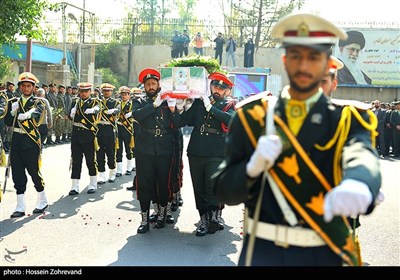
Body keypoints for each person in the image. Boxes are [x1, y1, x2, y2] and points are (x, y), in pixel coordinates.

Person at [213, 13, 382, 266]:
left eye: (314, 58)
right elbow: (223, 190)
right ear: (285, 60)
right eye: (296, 57)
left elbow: (361, 154)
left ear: (327, 64)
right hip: (263, 254)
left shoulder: (348, 118)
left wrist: (359, 182)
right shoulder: (253, 117)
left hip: (324, 254)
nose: (304, 66)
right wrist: (251, 168)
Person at [180, 72, 235, 236]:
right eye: (215, 86)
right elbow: (183, 121)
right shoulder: (199, 102)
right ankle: (204, 219)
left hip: (217, 151)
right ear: (210, 86)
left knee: (212, 185)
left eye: (221, 88)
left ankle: (213, 218)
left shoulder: (229, 104)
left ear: (227, 91)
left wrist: (210, 108)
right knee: (199, 187)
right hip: (196, 150)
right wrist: (180, 106)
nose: (217, 90)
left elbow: (231, 120)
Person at [132, 68, 180, 233]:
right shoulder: (139, 100)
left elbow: (178, 123)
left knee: (163, 182)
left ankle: (162, 214)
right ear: (144, 86)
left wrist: (174, 109)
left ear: (159, 84)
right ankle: (144, 219)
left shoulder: (168, 100)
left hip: (164, 147)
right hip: (144, 148)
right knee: (144, 184)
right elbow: (136, 115)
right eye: (148, 84)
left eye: (153, 83)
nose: (151, 86)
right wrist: (154, 104)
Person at [5, 72, 48, 218]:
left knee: (33, 171)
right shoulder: (13, 101)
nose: (26, 88)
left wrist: (29, 113)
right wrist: (12, 112)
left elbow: (38, 113)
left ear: (33, 88)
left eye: (29, 86)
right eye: (23, 86)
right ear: (20, 87)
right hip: (16, 140)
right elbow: (7, 122)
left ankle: (42, 199)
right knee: (17, 173)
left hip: (31, 141)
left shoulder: (38, 102)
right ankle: (20, 205)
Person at [68, 82, 101, 195]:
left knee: (90, 161)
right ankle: (74, 186)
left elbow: (98, 109)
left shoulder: (95, 102)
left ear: (90, 92)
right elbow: (69, 115)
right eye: (81, 91)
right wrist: (71, 113)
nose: (83, 93)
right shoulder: (75, 102)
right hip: (76, 135)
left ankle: (93, 184)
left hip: (88, 135)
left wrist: (93, 110)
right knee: (76, 161)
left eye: (86, 91)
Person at [96, 83, 120, 184]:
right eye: (104, 90)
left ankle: (112, 173)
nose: (106, 92)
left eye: (108, 91)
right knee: (99, 153)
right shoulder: (98, 102)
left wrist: (115, 110)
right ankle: (102, 175)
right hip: (99, 129)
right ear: (102, 91)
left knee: (110, 152)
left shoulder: (115, 102)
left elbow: (119, 110)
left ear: (111, 92)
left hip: (110, 129)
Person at [115, 86, 135, 177]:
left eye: (125, 95)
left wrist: (132, 114)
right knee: (118, 149)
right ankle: (119, 170)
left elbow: (136, 114)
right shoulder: (118, 104)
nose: (124, 96)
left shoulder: (132, 104)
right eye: (122, 95)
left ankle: (129, 168)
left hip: (127, 129)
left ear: (129, 95)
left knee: (128, 149)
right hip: (119, 128)